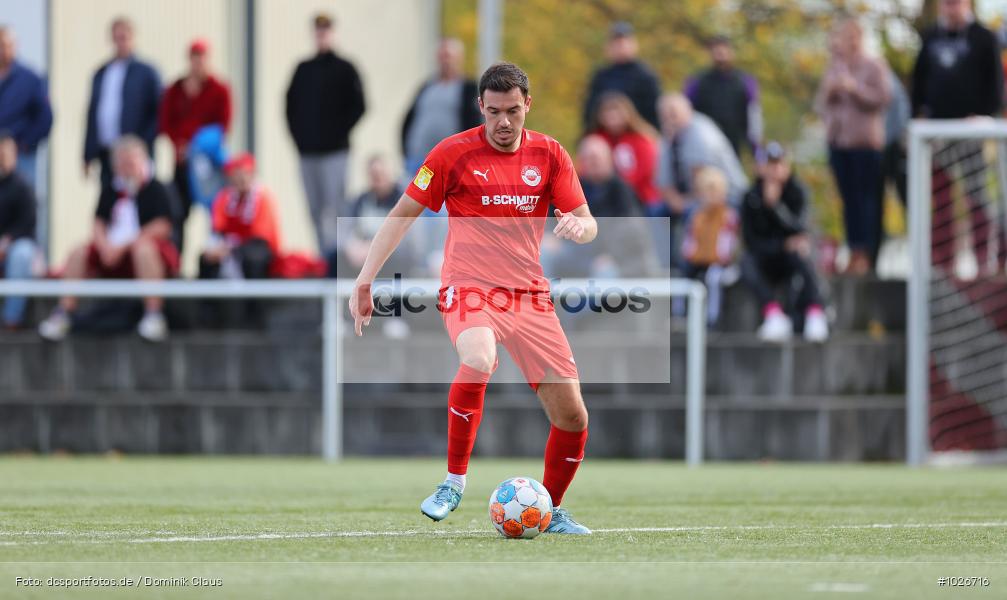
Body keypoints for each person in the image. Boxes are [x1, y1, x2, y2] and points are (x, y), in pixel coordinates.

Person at [349, 62, 597, 534]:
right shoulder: (451, 153)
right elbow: (402, 214)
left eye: (513, 111)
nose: (504, 122)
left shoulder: (550, 155)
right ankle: (453, 481)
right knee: (480, 358)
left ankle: (550, 510)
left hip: (529, 296)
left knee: (573, 414)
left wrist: (577, 226)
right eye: (494, 111)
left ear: (528, 105)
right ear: (481, 107)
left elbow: (587, 222)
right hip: (470, 288)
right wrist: (366, 277)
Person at [38, 136, 177, 343]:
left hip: (144, 254)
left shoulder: (157, 188)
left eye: (131, 162)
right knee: (78, 252)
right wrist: (105, 247)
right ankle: (64, 312)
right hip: (113, 254)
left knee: (144, 249)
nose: (127, 168)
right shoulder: (111, 190)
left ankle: (153, 314)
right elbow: (98, 223)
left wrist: (124, 246)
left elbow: (162, 226)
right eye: (122, 163)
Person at [911, 0, 1005, 273]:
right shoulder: (930, 37)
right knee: (941, 202)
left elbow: (996, 86)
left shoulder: (984, 37)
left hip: (972, 134)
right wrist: (920, 114)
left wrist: (985, 116)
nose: (950, 7)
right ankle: (943, 265)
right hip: (936, 136)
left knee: (977, 196)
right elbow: (919, 82)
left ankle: (984, 262)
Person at [815, 19, 891, 276]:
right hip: (839, 142)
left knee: (867, 201)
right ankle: (853, 250)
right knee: (848, 201)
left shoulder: (873, 65)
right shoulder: (834, 67)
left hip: (865, 145)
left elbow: (883, 98)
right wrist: (832, 90)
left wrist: (854, 88)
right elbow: (821, 104)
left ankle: (867, 255)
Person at [286, 13, 366, 253]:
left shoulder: (345, 68)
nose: (322, 36)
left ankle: (338, 256)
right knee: (315, 208)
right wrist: (300, 139)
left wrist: (338, 132)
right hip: (308, 152)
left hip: (335, 152)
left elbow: (359, 105)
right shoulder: (303, 69)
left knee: (336, 206)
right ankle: (324, 255)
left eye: (326, 31)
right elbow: (290, 107)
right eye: (318, 31)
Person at [739, 142, 828, 343]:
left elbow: (801, 229)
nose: (775, 170)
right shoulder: (750, 196)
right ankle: (773, 313)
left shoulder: (797, 191)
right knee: (746, 262)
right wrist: (781, 245)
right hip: (767, 256)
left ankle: (815, 312)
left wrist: (775, 207)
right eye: (770, 165)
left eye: (779, 164)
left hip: (792, 257)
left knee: (804, 252)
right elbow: (751, 240)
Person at [544, 135, 656, 279]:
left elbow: (632, 232)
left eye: (597, 158)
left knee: (604, 269)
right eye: (589, 158)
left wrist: (611, 254)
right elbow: (551, 216)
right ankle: (540, 299)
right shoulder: (572, 185)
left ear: (609, 160)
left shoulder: (622, 190)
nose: (593, 162)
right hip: (574, 249)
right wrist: (549, 235)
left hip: (611, 254)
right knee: (546, 251)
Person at [159, 38, 232, 253]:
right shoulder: (176, 89)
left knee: (215, 212)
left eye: (202, 58)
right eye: (194, 58)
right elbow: (166, 123)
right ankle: (177, 262)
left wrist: (196, 147)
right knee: (178, 213)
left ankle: (213, 261)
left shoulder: (219, 89)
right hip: (182, 163)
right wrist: (181, 146)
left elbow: (223, 126)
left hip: (208, 165)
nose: (198, 63)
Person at [83, 17, 162, 195]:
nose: (121, 41)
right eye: (117, 37)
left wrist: (143, 143)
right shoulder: (101, 73)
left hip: (135, 154)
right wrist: (87, 154)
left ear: (133, 37)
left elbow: (158, 112)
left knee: (139, 198)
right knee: (109, 199)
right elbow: (92, 113)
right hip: (107, 151)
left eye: (124, 36)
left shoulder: (146, 72)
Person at [401, 38, 480, 178]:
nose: (445, 61)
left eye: (448, 56)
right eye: (441, 56)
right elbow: (410, 118)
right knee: (419, 197)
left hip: (451, 163)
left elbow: (475, 122)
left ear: (459, 58)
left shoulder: (467, 88)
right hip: (420, 161)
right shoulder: (426, 87)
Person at [199, 153, 280, 281]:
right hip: (229, 246)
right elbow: (218, 228)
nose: (241, 179)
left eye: (244, 174)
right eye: (237, 175)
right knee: (206, 258)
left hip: (254, 249)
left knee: (252, 258)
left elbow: (261, 235)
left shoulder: (263, 198)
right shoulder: (224, 198)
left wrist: (233, 248)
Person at [684, 35, 763, 158]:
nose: (720, 55)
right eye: (716, 51)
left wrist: (756, 152)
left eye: (723, 50)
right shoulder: (698, 81)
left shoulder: (745, 81)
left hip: (734, 143)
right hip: (705, 144)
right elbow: (686, 111)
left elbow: (754, 118)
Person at [681, 166, 739, 326]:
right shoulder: (697, 216)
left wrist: (714, 257)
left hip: (720, 265)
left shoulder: (728, 216)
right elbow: (690, 243)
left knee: (713, 278)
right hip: (699, 261)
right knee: (683, 275)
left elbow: (727, 248)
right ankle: (681, 315)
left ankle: (713, 319)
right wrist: (692, 255)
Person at [0, 26, 53, 189]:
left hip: (21, 157)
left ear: (15, 46)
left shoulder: (30, 79)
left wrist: (23, 144)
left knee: (22, 203)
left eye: (6, 45)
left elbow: (45, 117)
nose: (2, 50)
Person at [583, 22, 661, 131]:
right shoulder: (601, 76)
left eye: (624, 42)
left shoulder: (645, 77)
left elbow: (654, 114)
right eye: (616, 43)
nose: (620, 47)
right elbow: (589, 112)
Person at [587, 91, 660, 209]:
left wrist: (619, 187)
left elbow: (645, 172)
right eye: (607, 113)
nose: (611, 118)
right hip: (604, 196)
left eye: (616, 112)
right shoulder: (596, 140)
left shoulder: (641, 140)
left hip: (641, 197)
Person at [0, 133, 37, 329]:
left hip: (18, 244)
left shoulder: (23, 185)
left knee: (21, 255)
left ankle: (11, 318)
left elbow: (28, 222)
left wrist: (7, 241)